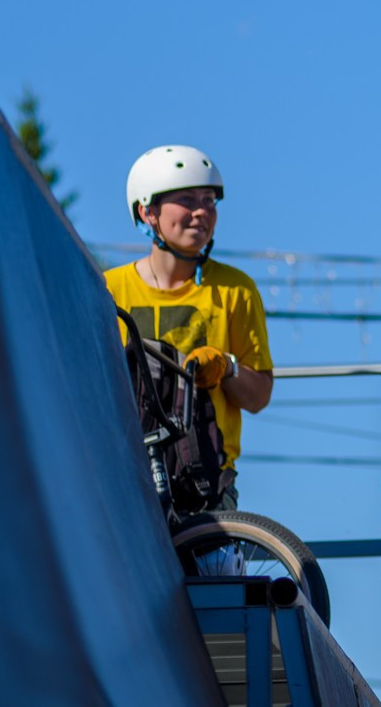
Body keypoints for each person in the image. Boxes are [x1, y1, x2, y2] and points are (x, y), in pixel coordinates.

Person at [102, 145, 273, 507]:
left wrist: (227, 367)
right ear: (147, 211)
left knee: (213, 565)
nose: (201, 212)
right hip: (121, 471)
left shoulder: (236, 289)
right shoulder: (108, 290)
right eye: (187, 200)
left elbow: (258, 396)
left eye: (209, 200)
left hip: (206, 478)